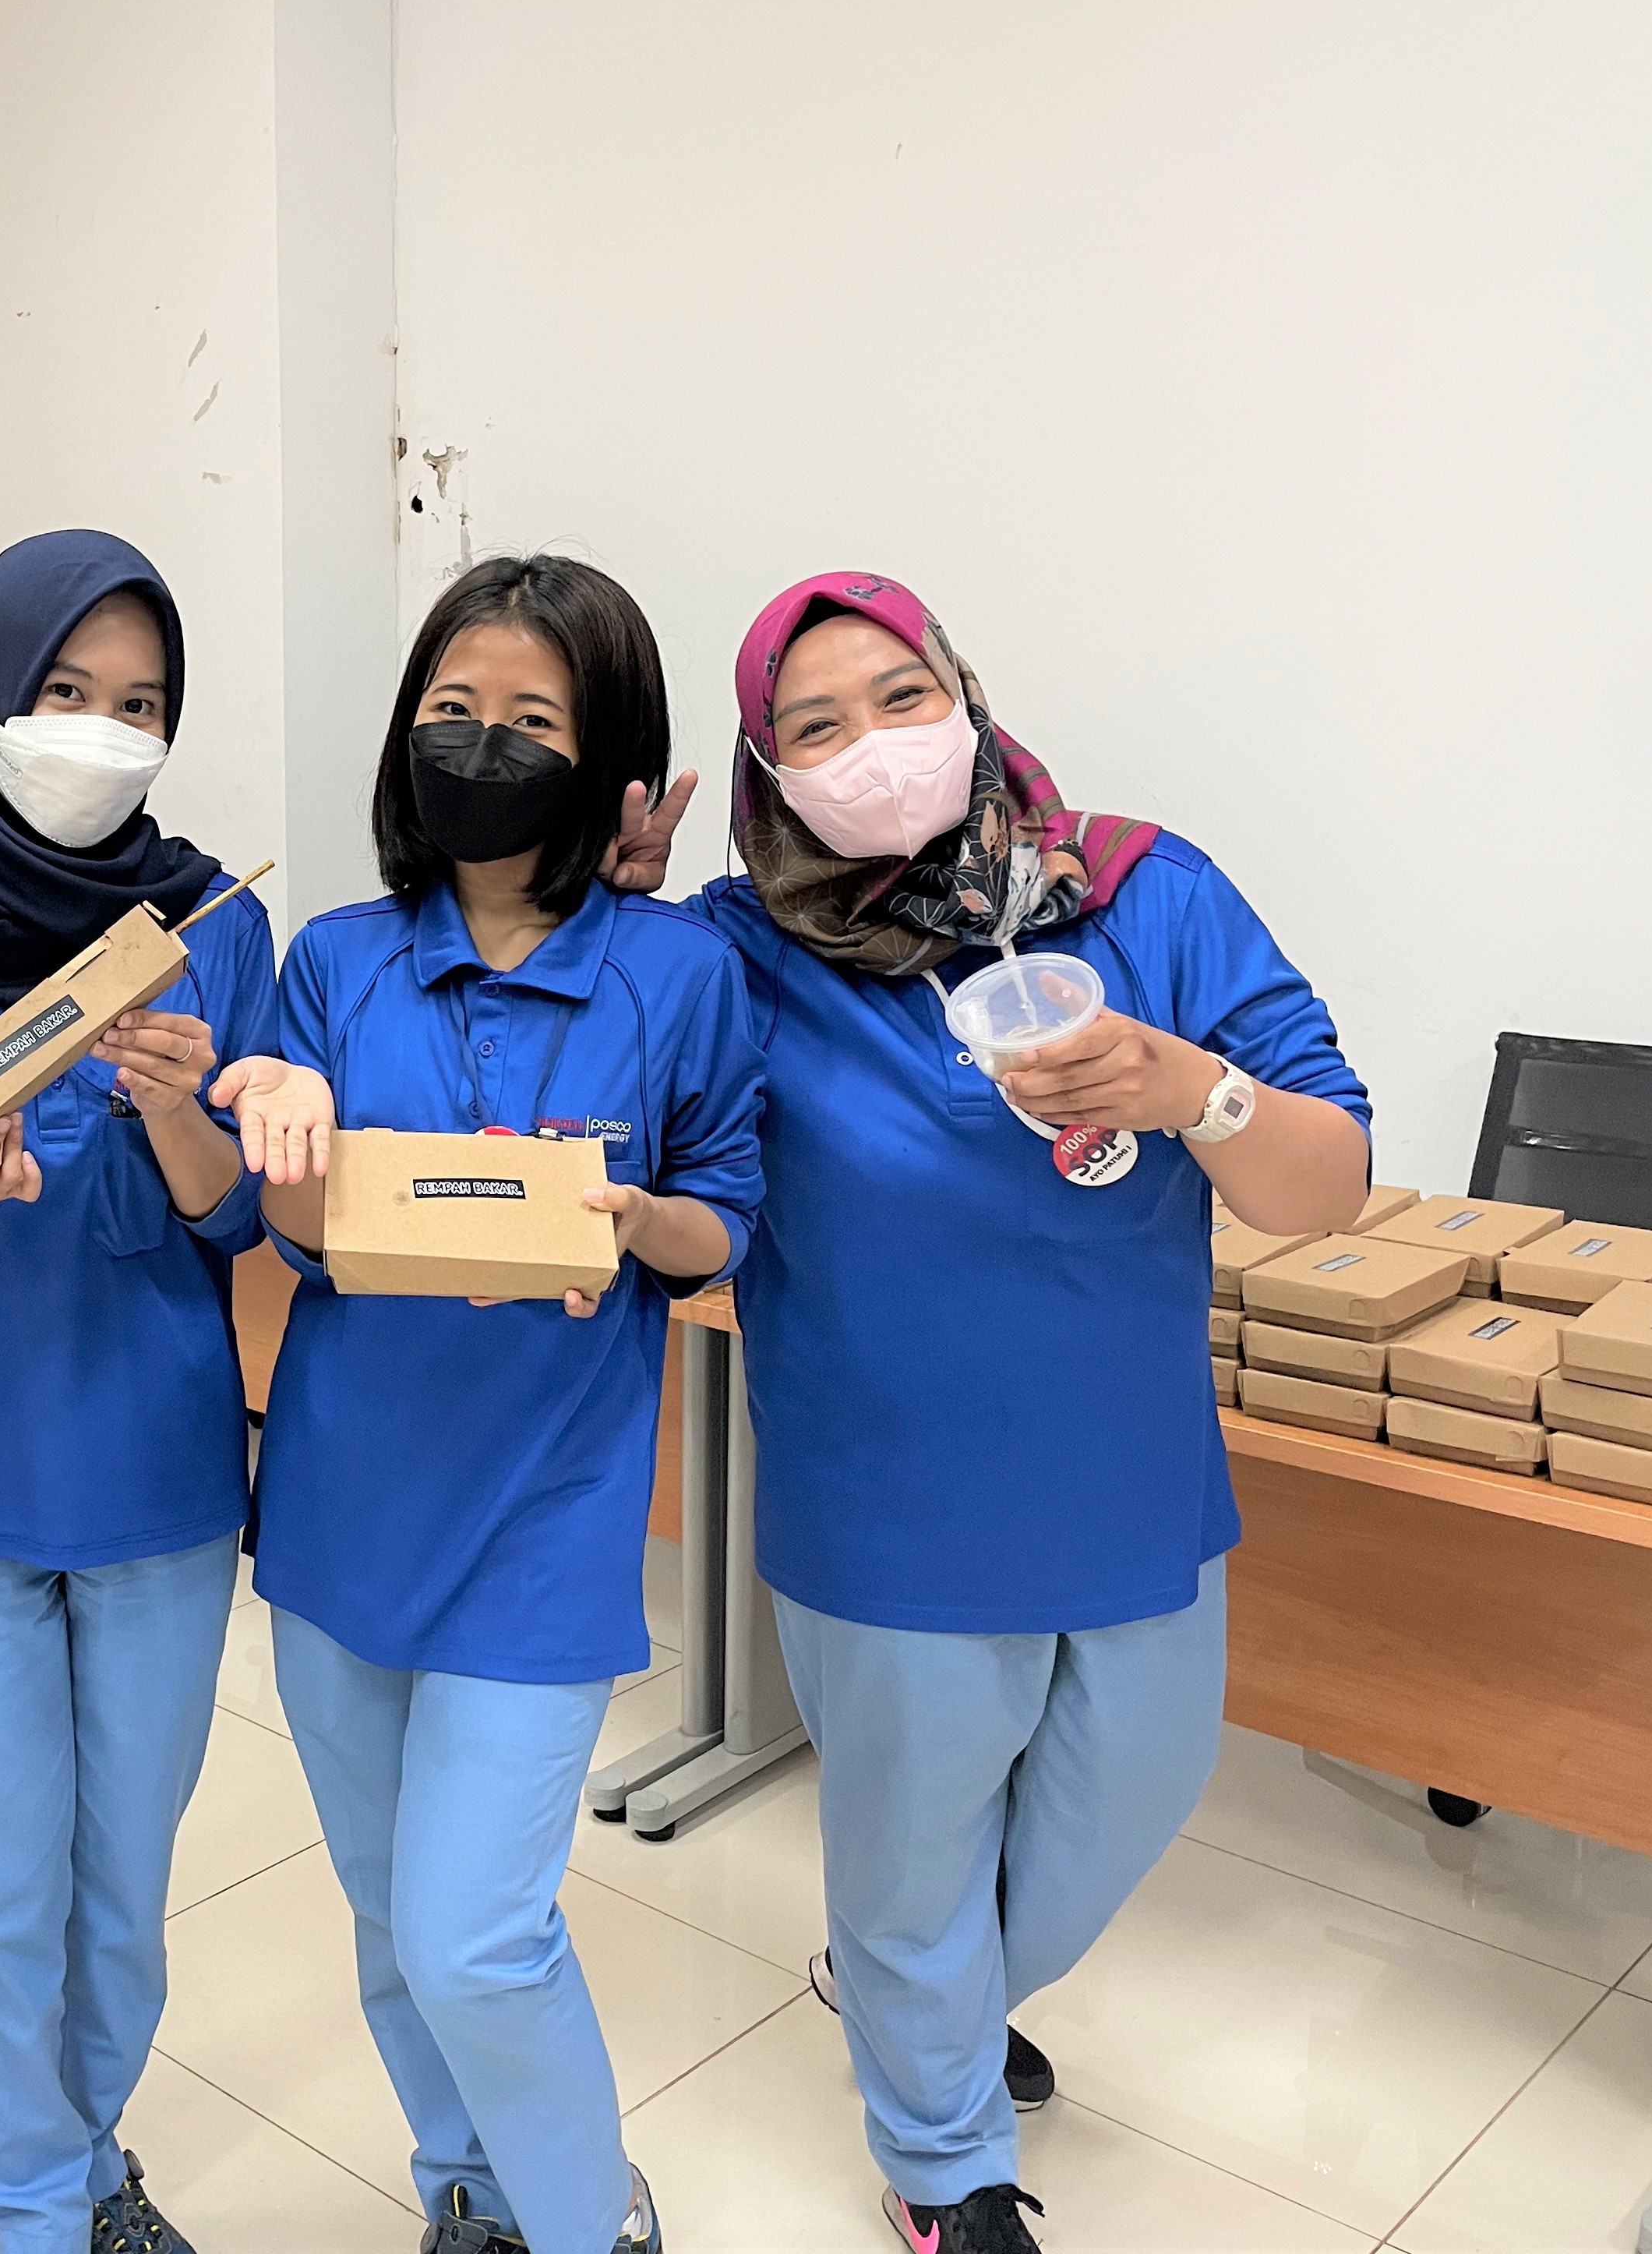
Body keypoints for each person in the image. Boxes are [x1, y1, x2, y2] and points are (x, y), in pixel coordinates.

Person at [629, 571, 1369, 2254]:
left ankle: (910, 1998)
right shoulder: (739, 953)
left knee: (1129, 1800)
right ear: (767, 769)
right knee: (911, 1849)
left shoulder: (1142, 892)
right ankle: (942, 2154)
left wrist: (1190, 1089)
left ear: (965, 695)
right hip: (884, 1504)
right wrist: (611, 903)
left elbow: (1325, 1182)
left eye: (903, 698)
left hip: (1129, 1480)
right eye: (815, 727)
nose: (873, 747)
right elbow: (588, 1060)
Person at [210, 553, 763, 2254]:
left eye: (532, 717)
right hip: (342, 1507)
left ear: (604, 758)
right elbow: (299, 1235)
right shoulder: (336, 959)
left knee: (479, 1935)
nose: (482, 744)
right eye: (452, 709)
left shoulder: (675, 973)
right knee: (393, 1918)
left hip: (546, 1514)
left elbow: (723, 1221)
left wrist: (638, 1221)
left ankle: (590, 2218)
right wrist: (278, 1115)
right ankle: (468, 2188)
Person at [0, 528, 319, 2254]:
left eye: (141, 704)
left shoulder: (209, 930)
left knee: (120, 1895)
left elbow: (236, 1219)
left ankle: (84, 2156)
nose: (103, 731)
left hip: (159, 1475)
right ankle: (28, 2213)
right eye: (65, 691)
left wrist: (175, 1104)